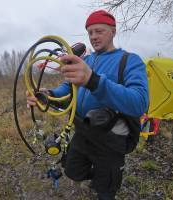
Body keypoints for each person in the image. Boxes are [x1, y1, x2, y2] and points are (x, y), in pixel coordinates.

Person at [27, 10, 149, 200]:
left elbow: (139, 102)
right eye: (90, 32)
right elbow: (67, 89)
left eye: (99, 31)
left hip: (111, 139)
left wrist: (93, 80)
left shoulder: (129, 60)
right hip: (82, 131)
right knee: (72, 171)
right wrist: (47, 96)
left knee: (106, 191)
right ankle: (98, 175)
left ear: (113, 31)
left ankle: (106, 181)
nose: (93, 37)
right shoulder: (86, 60)